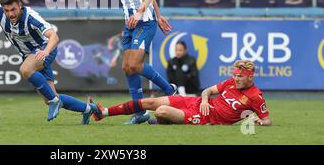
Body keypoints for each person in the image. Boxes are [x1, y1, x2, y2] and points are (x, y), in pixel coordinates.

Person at [0, 0, 100, 124]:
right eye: (7, 10)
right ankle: (89, 109)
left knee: (26, 70)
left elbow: (54, 36)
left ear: (20, 6)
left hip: (45, 49)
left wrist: (46, 51)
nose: (10, 14)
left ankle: (54, 101)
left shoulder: (31, 17)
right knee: (48, 97)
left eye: (13, 9)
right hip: (30, 56)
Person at [100, 0, 176, 125]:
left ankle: (169, 90)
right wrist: (159, 14)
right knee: (127, 68)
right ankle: (140, 113)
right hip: (130, 23)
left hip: (144, 21)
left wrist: (145, 12)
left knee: (134, 64)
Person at [90, 60, 272, 126]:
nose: (236, 79)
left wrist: (260, 121)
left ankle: (159, 122)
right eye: (235, 75)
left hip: (206, 119)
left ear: (250, 77)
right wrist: (204, 99)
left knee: (161, 110)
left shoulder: (255, 96)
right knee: (151, 103)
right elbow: (208, 90)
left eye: (240, 76)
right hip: (196, 104)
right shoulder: (231, 82)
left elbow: (267, 119)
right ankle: (104, 113)